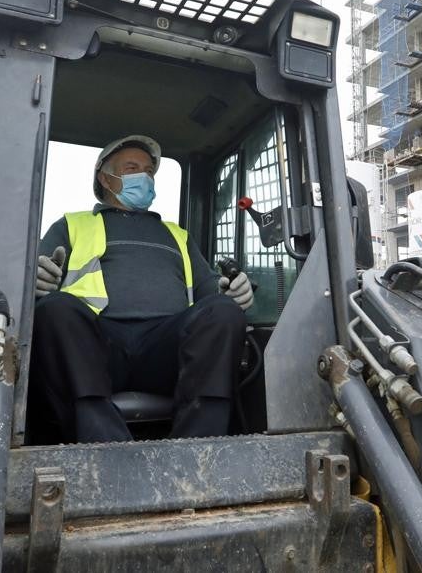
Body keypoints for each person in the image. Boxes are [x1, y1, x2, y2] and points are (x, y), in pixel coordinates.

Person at [27, 135, 254, 444]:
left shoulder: (178, 235)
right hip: (97, 346)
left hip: (167, 347)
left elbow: (210, 291)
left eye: (148, 171)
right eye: (132, 167)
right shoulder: (70, 225)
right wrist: (38, 281)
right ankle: (106, 446)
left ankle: (197, 450)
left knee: (225, 312)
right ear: (106, 178)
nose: (144, 177)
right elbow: (39, 273)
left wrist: (233, 292)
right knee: (55, 309)